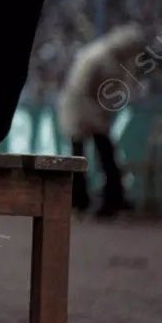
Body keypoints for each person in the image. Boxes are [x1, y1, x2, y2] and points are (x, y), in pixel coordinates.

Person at [58, 22, 146, 215]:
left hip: (90, 109)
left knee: (100, 153)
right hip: (82, 109)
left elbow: (119, 87)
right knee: (86, 155)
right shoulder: (101, 56)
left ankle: (105, 197)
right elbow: (81, 89)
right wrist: (98, 115)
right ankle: (85, 198)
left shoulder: (112, 56)